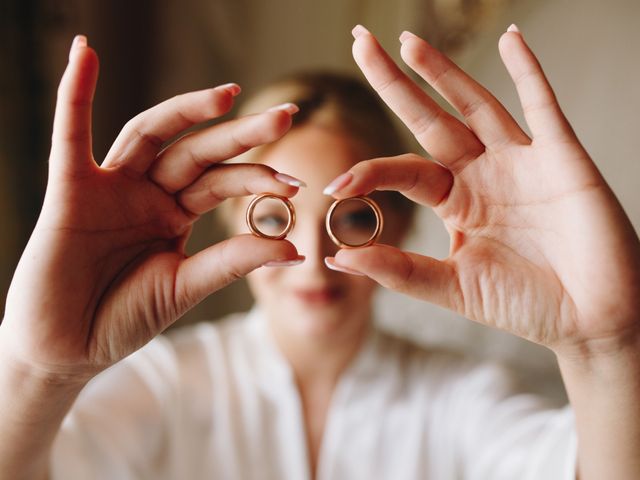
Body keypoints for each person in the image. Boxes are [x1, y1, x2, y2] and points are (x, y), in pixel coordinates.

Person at [0, 23, 639, 480]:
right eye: (276, 216)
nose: (310, 254)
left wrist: (606, 350)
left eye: (352, 216)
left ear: (397, 225)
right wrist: (36, 373)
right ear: (227, 219)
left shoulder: (461, 398)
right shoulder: (165, 385)